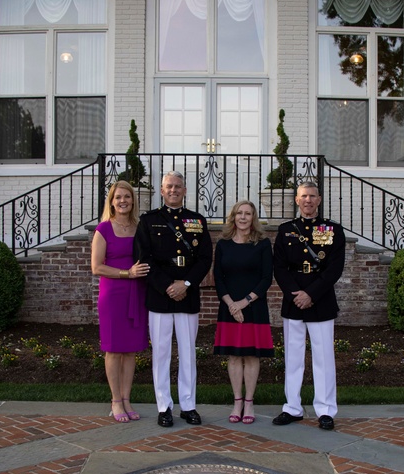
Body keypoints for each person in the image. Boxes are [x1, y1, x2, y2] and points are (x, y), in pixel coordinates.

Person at [134, 171, 213, 427]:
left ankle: (188, 405)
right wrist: (167, 286)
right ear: (161, 190)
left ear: (185, 190)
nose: (173, 190)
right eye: (169, 186)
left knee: (188, 353)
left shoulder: (197, 221)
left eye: (178, 186)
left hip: (187, 295)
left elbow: (204, 258)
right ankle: (164, 406)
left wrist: (186, 284)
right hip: (160, 296)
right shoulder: (149, 221)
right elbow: (144, 258)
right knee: (161, 353)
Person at [272, 181, 346, 431]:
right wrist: (297, 294)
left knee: (323, 358)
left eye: (312, 196)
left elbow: (335, 268)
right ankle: (292, 407)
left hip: (321, 299)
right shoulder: (285, 230)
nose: (308, 200)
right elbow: (279, 267)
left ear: (319, 199)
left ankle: (325, 410)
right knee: (293, 358)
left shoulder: (333, 230)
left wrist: (311, 294)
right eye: (304, 196)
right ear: (296, 200)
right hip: (294, 301)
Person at [91, 180, 150, 423]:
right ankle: (115, 400)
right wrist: (127, 273)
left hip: (137, 293)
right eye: (118, 197)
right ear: (112, 202)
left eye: (127, 196)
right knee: (114, 350)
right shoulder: (103, 229)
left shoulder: (140, 227)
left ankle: (127, 399)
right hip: (113, 295)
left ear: (133, 200)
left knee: (131, 351)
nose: (123, 201)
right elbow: (97, 267)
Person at [213, 201, 274, 424]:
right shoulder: (223, 245)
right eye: (239, 213)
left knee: (251, 355)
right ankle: (237, 401)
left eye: (248, 214)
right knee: (234, 355)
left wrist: (244, 303)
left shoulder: (263, 244)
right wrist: (232, 304)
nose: (243, 217)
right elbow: (218, 278)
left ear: (253, 218)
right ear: (233, 216)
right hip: (229, 306)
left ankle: (249, 402)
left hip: (254, 306)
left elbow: (266, 278)